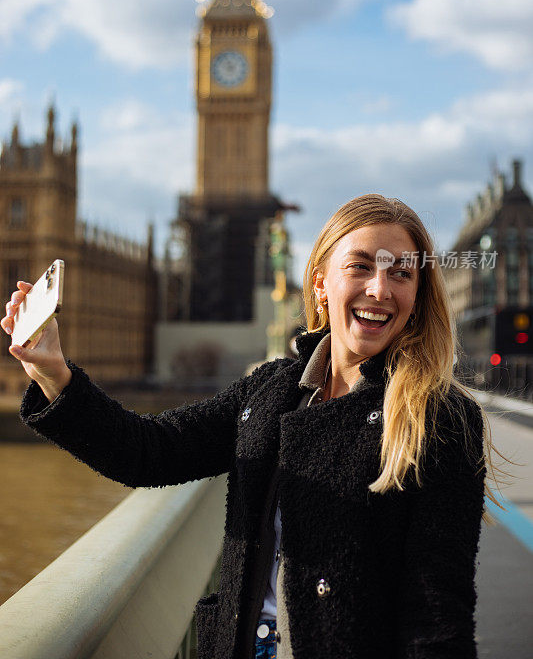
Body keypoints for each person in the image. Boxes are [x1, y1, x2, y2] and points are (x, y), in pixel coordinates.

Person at [2, 194, 503, 659]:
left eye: (401, 274)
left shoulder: (437, 418)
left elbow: (437, 614)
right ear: (320, 283)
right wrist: (54, 373)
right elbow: (149, 452)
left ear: (417, 293)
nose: (380, 288)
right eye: (360, 266)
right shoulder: (268, 391)